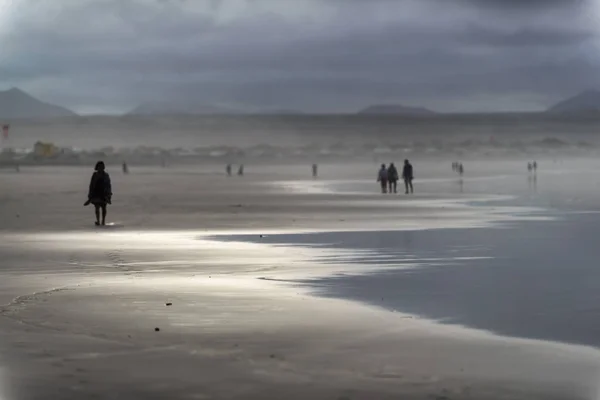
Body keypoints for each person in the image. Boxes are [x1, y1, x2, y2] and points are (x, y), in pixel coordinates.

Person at [85, 161, 112, 226]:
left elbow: (108, 185)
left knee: (103, 207)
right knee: (97, 207)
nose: (100, 168)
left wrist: (108, 194)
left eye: (102, 167)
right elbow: (91, 185)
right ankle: (98, 221)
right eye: (99, 167)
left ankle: (103, 221)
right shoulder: (95, 175)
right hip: (96, 193)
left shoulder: (106, 175)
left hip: (103, 193)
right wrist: (90, 194)